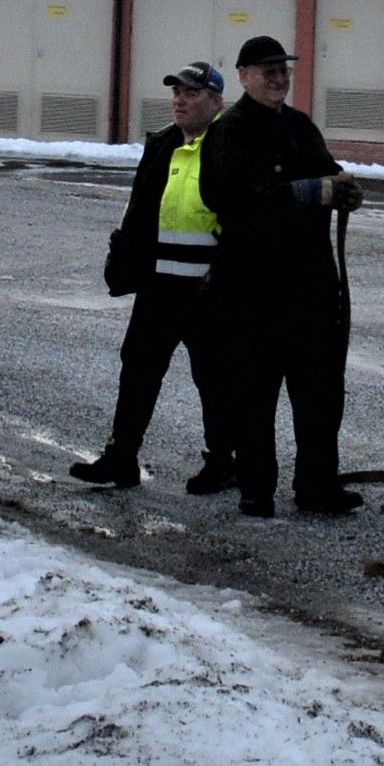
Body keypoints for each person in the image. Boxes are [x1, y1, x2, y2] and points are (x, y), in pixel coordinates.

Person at [71, 61, 244, 496]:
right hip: (159, 287)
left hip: (209, 291)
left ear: (217, 101)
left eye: (191, 93)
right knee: (138, 372)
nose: (180, 100)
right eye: (176, 93)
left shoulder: (228, 144)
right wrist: (123, 256)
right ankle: (121, 458)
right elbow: (139, 208)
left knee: (214, 378)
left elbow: (244, 217)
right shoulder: (164, 143)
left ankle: (223, 462)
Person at [212, 36, 365, 517]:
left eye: (283, 71)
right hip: (253, 289)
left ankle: (318, 486)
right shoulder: (229, 131)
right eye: (267, 71)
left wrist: (344, 189)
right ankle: (256, 490)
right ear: (242, 76)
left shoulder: (299, 126)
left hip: (311, 286)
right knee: (254, 395)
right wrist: (306, 193)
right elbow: (227, 198)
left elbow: (328, 175)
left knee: (320, 393)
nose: (279, 79)